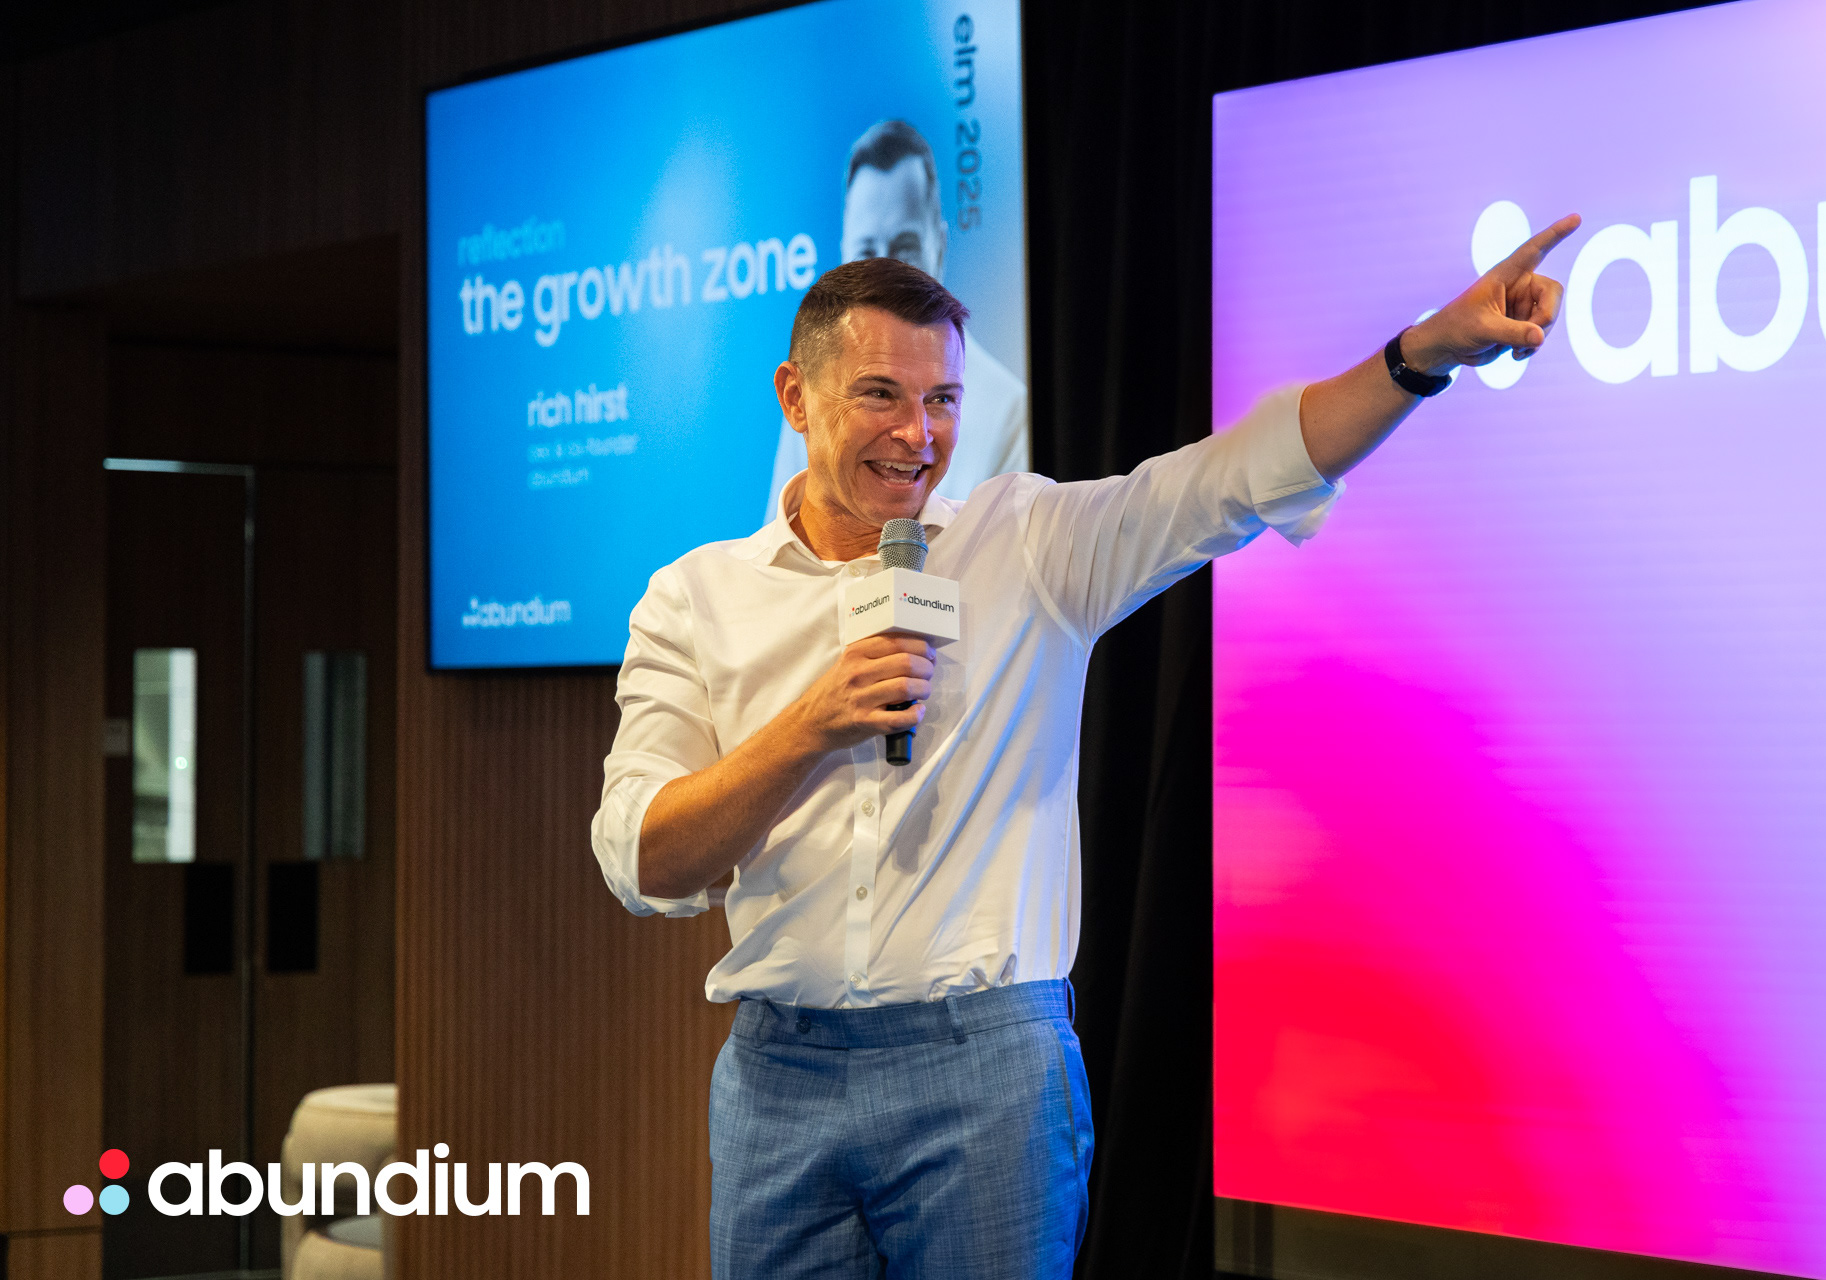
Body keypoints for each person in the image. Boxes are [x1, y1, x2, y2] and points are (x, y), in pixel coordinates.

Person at [592, 215, 1578, 1277]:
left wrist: (1422, 354)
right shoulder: (695, 598)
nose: (917, 434)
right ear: (796, 396)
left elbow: (1233, 476)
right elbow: (644, 860)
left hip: (985, 1078)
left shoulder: (1025, 543)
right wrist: (810, 725)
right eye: (881, 394)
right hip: (779, 1078)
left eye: (944, 400)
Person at [765, 119, 1027, 521]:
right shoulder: (816, 391)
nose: (884, 270)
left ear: (939, 247)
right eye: (866, 251)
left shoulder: (1008, 413)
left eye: (941, 400)